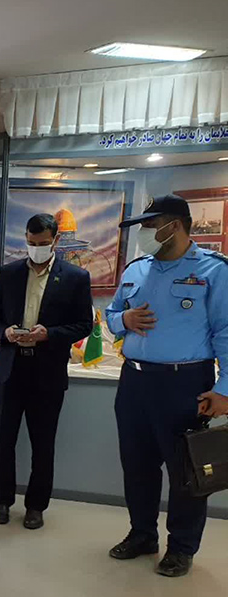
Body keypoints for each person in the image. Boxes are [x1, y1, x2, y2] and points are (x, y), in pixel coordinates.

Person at [105, 195, 228, 577]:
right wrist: (124, 319)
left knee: (184, 470)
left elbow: (226, 332)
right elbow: (111, 316)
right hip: (135, 380)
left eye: (148, 225)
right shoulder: (137, 269)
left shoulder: (213, 270)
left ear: (173, 226)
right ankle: (142, 534)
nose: (143, 233)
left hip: (184, 382)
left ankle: (181, 547)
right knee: (137, 465)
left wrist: (225, 389)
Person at [0, 214, 93, 530]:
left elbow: (84, 324)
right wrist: (5, 333)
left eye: (43, 243)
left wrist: (49, 334)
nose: (37, 248)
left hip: (47, 372)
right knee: (3, 440)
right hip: (10, 368)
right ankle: (1, 500)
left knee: (43, 444)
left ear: (55, 241)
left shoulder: (75, 278)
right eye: (31, 243)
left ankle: (36, 506)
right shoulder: (10, 273)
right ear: (26, 239)